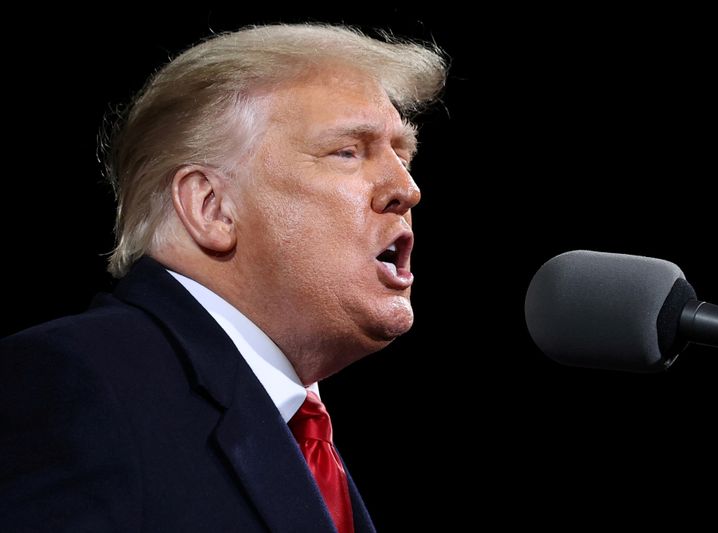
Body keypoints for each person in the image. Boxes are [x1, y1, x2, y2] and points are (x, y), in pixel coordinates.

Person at [0, 24, 445, 532]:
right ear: (212, 208)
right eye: (348, 151)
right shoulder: (75, 382)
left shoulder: (299, 432)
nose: (407, 189)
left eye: (402, 155)